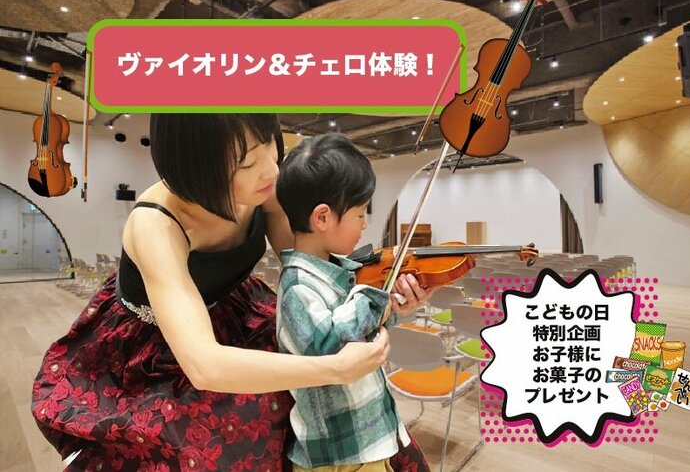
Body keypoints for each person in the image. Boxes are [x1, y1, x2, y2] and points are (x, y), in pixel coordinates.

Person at [31, 113, 431, 471]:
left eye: (270, 145)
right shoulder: (156, 224)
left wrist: (384, 295)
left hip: (235, 308)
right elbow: (204, 365)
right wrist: (334, 368)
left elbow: (307, 267)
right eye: (246, 163)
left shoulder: (266, 185)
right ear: (196, 167)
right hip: (160, 344)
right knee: (212, 440)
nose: (271, 169)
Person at [275, 134, 414, 472]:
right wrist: (377, 297)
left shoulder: (344, 271)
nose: (365, 224)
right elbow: (331, 343)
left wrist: (398, 305)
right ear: (322, 217)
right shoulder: (298, 288)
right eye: (360, 214)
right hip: (338, 458)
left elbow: (362, 331)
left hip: (367, 443)